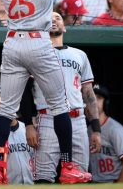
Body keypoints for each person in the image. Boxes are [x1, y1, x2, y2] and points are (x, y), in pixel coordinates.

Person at [0, 0, 91, 185]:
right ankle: (69, 166)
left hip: (12, 41)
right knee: (60, 106)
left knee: (6, 111)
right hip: (38, 41)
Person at [24, 11, 101, 183]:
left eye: (57, 18)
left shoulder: (80, 55)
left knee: (79, 176)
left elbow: (88, 93)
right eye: (49, 20)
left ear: (64, 27)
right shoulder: (34, 54)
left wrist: (96, 128)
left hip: (78, 119)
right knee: (43, 176)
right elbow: (25, 92)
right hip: (48, 118)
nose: (53, 21)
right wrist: (29, 125)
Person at [89, 84, 123, 183]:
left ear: (106, 103)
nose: (93, 101)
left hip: (112, 182)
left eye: (98, 98)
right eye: (90, 98)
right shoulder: (86, 130)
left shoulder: (116, 130)